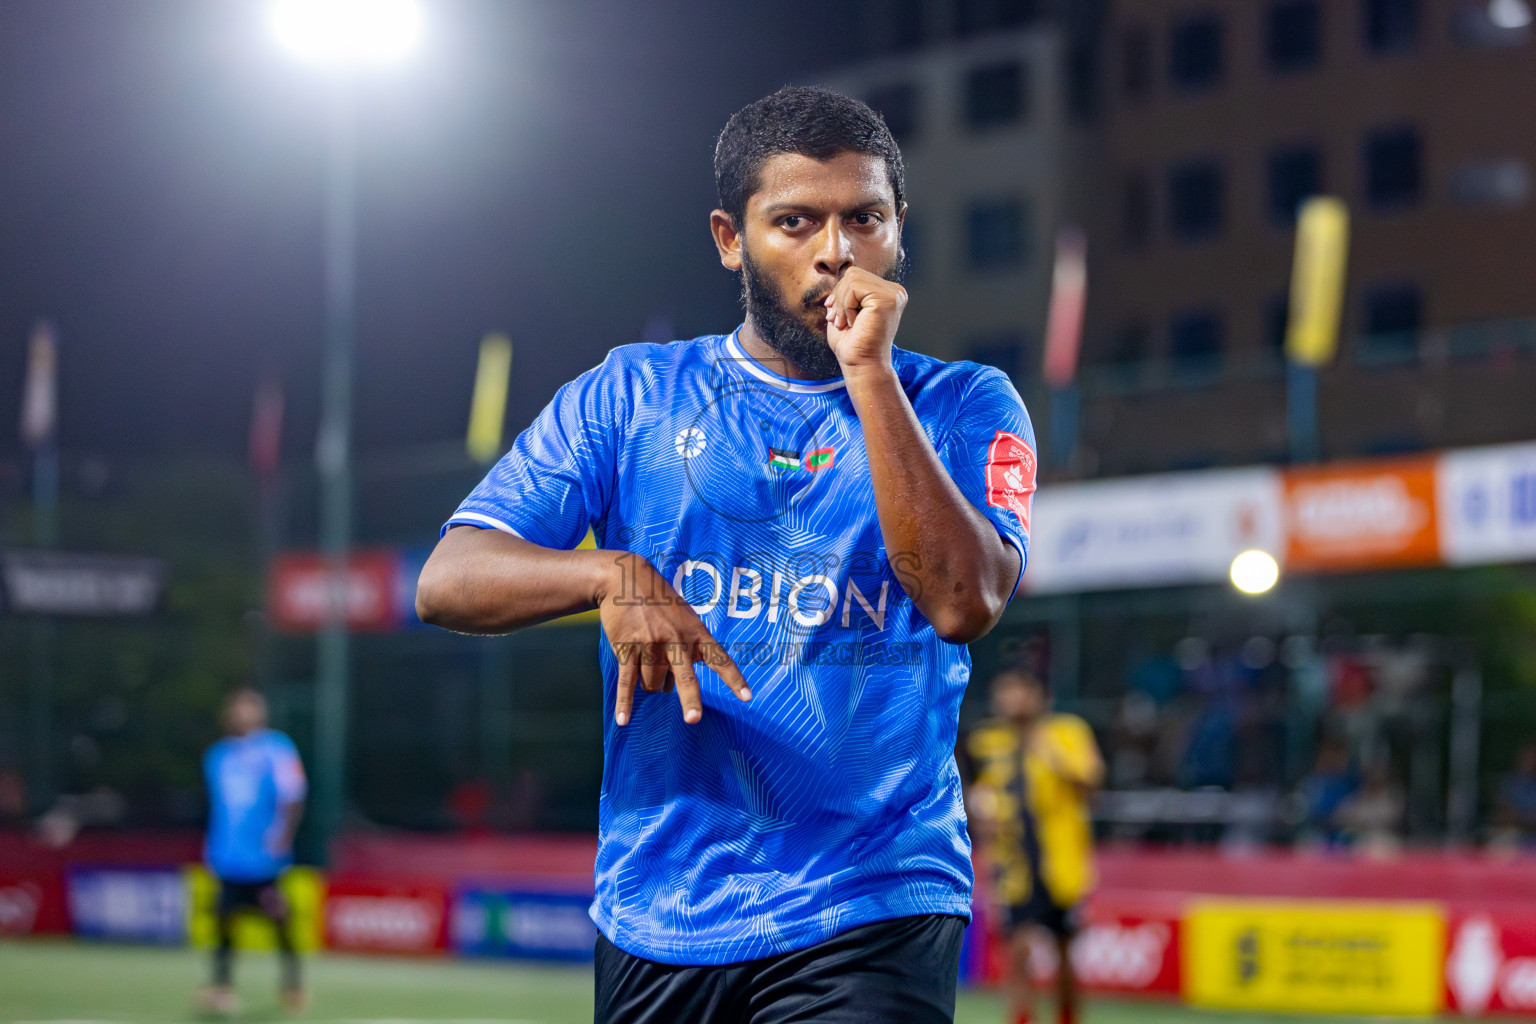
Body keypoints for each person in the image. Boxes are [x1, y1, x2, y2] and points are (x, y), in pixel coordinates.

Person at [416, 85, 1037, 1023]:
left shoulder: (966, 404)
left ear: (898, 230)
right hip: (659, 906)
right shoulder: (629, 396)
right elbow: (448, 578)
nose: (836, 252)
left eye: (864, 220)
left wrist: (867, 375)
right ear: (729, 239)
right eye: (795, 222)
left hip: (875, 897)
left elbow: (965, 603)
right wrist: (607, 573)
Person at [965, 669, 1103, 1024]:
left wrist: (1052, 756)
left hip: (1061, 865)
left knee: (1065, 955)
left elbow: (1092, 786)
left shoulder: (1067, 732)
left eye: (1018, 692)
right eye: (1003, 693)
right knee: (1018, 953)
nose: (1009, 701)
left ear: (1038, 696)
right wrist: (981, 818)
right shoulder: (987, 741)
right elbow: (973, 794)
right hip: (1012, 867)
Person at [199, 688, 307, 1015]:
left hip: (264, 859)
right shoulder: (217, 756)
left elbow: (293, 795)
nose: (241, 714)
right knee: (223, 923)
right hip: (228, 857)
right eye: (236, 708)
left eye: (248, 708)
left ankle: (293, 987)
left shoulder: (277, 749)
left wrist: (283, 837)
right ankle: (221, 988)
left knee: (280, 921)